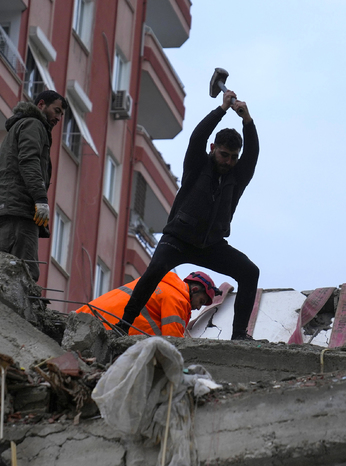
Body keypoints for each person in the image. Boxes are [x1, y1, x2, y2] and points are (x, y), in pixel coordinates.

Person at [118, 89, 260, 341]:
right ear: (213, 148)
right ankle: (123, 324)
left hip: (211, 245)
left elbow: (252, 155)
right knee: (155, 271)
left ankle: (239, 335)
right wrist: (222, 110)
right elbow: (198, 136)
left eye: (233, 158)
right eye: (224, 155)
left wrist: (247, 120)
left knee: (249, 272)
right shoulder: (197, 165)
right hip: (178, 239)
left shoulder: (237, 177)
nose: (228, 161)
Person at [0, 90, 67, 281]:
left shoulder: (22, 126)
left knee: (8, 271)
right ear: (41, 105)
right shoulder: (33, 124)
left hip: (6, 209)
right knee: (25, 275)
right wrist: (40, 199)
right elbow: (29, 161)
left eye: (61, 114)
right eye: (56, 111)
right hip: (18, 211)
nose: (58, 118)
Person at [78, 271, 220, 337]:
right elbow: (173, 342)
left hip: (84, 318)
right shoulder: (177, 299)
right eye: (200, 301)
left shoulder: (159, 282)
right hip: (105, 331)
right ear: (194, 289)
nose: (197, 308)